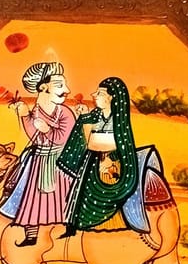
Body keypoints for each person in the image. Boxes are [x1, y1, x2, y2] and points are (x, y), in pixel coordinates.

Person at [0, 60, 76, 246]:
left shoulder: (64, 112)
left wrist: (47, 130)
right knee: (33, 198)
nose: (66, 90)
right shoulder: (37, 111)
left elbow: (64, 138)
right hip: (40, 160)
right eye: (59, 85)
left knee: (65, 197)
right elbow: (34, 136)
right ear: (43, 87)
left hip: (61, 162)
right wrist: (26, 116)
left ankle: (69, 232)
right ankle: (31, 235)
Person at [57, 76, 140, 234]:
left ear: (112, 97)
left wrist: (104, 152)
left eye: (100, 93)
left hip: (110, 166)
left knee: (106, 198)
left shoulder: (118, 121)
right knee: (81, 195)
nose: (94, 95)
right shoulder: (96, 116)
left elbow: (112, 145)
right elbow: (89, 142)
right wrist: (84, 117)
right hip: (92, 163)